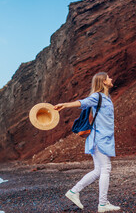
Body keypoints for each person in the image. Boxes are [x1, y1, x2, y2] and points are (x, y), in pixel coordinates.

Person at [54, 72, 121, 212]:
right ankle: (102, 204)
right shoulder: (97, 96)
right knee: (106, 169)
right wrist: (64, 105)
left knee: (98, 170)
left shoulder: (107, 98)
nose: (111, 78)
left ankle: (74, 192)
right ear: (103, 81)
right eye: (108, 77)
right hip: (99, 138)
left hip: (105, 138)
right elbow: (82, 102)